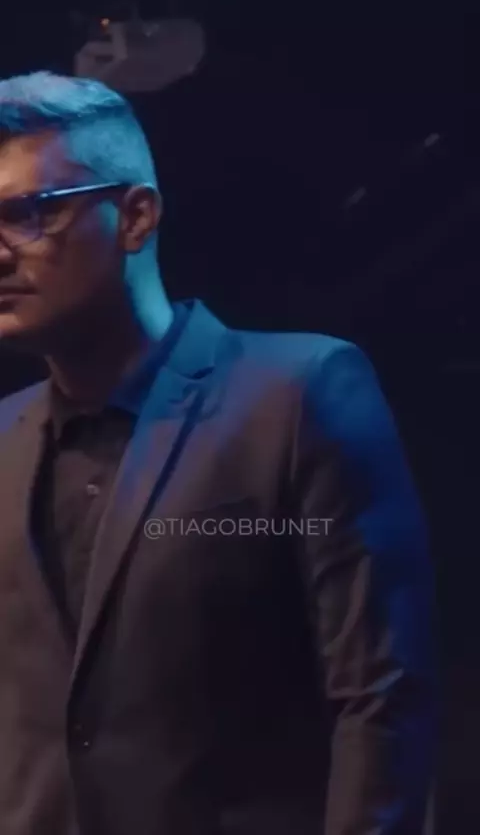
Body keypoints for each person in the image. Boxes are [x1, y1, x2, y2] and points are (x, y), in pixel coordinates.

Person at [0, 71, 435, 835]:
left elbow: (380, 699)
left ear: (135, 217)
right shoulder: (4, 436)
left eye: (26, 213)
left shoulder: (296, 395)